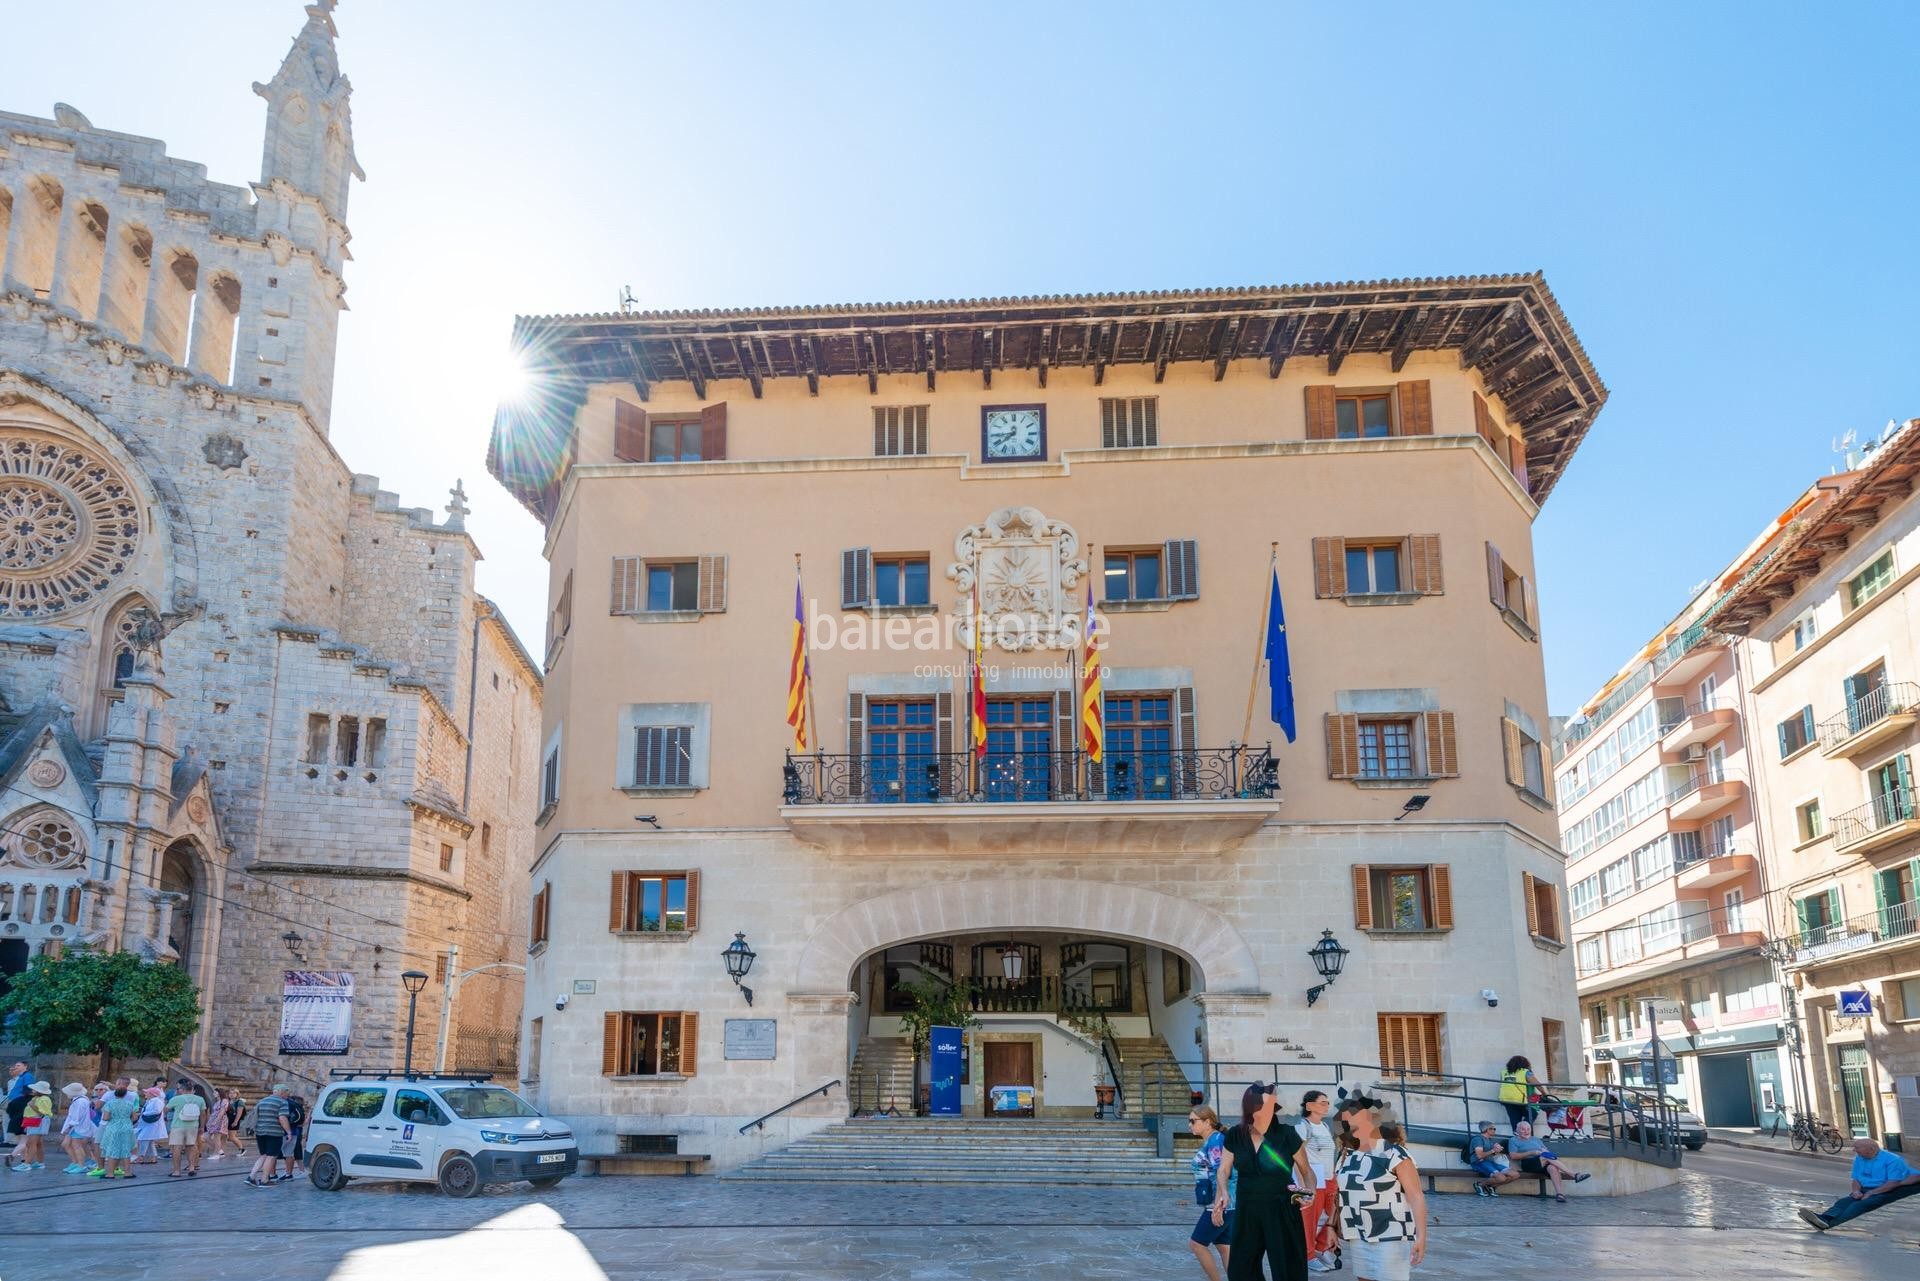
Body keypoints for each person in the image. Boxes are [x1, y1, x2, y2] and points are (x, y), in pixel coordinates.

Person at [1211, 1081, 1312, 1281]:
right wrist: (1223, 1192)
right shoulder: (1235, 1135)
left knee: (1288, 1269)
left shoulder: (1287, 1134)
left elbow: (1307, 1172)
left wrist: (1309, 1191)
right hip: (1247, 1209)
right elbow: (1223, 1169)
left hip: (1283, 1208)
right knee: (1241, 1270)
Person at [1335, 1096, 1428, 1281]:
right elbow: (1339, 1195)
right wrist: (1331, 1226)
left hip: (1391, 1234)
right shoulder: (1346, 1155)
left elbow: (1416, 1197)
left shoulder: (1394, 1153)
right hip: (1357, 1233)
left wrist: (1421, 1237)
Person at [1797, 1138, 1920, 1230]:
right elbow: (1856, 1179)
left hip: (1889, 1188)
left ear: (1871, 1149)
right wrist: (1856, 1191)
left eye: (1857, 1147)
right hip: (1869, 1187)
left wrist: (1871, 1193)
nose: (1854, 1150)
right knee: (1844, 1201)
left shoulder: (1893, 1160)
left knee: (1861, 1204)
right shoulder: (1859, 1158)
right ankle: (1824, 1218)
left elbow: (1893, 1183)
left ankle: (1829, 1224)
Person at [1187, 1104, 1234, 1281]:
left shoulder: (1215, 1141)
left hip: (1221, 1203)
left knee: (1197, 1244)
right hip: (1225, 1203)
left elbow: (1221, 1173)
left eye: (1193, 1121)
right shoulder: (1214, 1140)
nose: (1189, 1125)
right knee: (1223, 1246)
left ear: (1207, 1122)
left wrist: (1217, 1206)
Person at [1295, 1091, 1340, 1273]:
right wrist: (1303, 1185)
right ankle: (1308, 1255)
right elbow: (1297, 1157)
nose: (1326, 1106)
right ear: (1309, 1106)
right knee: (1309, 1220)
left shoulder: (1325, 1126)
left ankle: (1321, 1246)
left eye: (1327, 1103)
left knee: (1339, 1215)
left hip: (1330, 1179)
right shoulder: (1303, 1127)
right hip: (1313, 1180)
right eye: (1322, 1102)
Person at [1507, 1121, 1590, 1203]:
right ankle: (1573, 1174)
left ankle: (1560, 1194)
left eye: (1528, 1129)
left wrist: (1544, 1151)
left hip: (1542, 1162)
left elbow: (1547, 1152)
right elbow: (1513, 1156)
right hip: (1527, 1163)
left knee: (1552, 1167)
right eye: (1523, 1129)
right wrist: (1531, 1152)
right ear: (1517, 1130)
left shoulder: (1536, 1139)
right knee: (1546, 1157)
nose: (1526, 1131)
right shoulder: (1514, 1140)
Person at [246, 1083, 292, 1188]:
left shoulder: (262, 1101)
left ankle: (251, 1177)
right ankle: (264, 1180)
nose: (287, 1096)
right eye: (286, 1093)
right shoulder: (282, 1102)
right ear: (282, 1092)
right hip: (274, 1132)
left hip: (260, 1132)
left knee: (263, 1155)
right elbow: (282, 1118)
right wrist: (288, 1132)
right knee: (271, 1156)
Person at [92, 1079, 139, 1179]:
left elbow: (105, 1117)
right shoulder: (130, 1102)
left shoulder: (110, 1103)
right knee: (126, 1150)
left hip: (113, 1127)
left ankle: (110, 1173)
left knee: (112, 1149)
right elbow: (135, 1117)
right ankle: (127, 1172)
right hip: (127, 1127)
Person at [1469, 1121, 1521, 1197]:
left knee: (1515, 1174)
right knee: (1501, 1178)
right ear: (1486, 1129)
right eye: (1492, 1128)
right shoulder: (1478, 1139)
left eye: (1494, 1128)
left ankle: (1491, 1186)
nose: (1494, 1130)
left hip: (1491, 1162)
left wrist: (1497, 1151)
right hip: (1479, 1163)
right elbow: (1479, 1156)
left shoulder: (1489, 1140)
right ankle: (1479, 1184)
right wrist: (1493, 1150)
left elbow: (1491, 1154)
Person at [10, 1080, 54, 1169]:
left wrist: (32, 1105)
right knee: (38, 1143)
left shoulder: (44, 1099)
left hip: (37, 1121)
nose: (32, 1090)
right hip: (33, 1122)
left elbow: (43, 1113)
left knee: (31, 1143)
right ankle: (40, 1163)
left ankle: (26, 1164)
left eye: (35, 1089)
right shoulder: (37, 1098)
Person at [58, 1083, 98, 1174]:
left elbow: (76, 1117)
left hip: (78, 1127)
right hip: (78, 1127)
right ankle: (77, 1163)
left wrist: (69, 1127)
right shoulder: (81, 1100)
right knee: (69, 1144)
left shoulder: (79, 1102)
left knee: (77, 1146)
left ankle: (81, 1165)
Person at [167, 1084, 205, 1177]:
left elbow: (165, 1109)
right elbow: (203, 1114)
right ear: (192, 1089)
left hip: (177, 1126)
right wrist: (202, 1126)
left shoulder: (176, 1099)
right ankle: (191, 1168)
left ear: (181, 1090)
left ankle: (177, 1171)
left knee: (177, 1148)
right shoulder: (200, 1099)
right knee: (191, 1147)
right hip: (193, 1126)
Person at [1499, 1056, 1542, 1131]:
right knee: (1533, 1114)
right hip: (1519, 1099)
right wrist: (1544, 1093)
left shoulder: (1504, 1072)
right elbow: (1537, 1084)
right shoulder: (1525, 1072)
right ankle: (1524, 1130)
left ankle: (1517, 1134)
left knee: (1514, 1119)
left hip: (1506, 1099)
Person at [3, 1060, 33, 1156]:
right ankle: (24, 1158)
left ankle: (23, 1156)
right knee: (18, 1131)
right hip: (16, 1103)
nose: (16, 1067)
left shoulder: (27, 1076)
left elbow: (28, 1089)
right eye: (15, 1065)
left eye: (18, 1065)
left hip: (20, 1103)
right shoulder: (21, 1077)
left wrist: (21, 1101)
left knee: (20, 1129)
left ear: (25, 1066)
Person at [133, 1086, 167, 1163]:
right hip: (148, 1124)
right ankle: (153, 1157)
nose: (145, 1093)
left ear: (152, 1094)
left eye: (147, 1092)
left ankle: (141, 1157)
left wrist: (143, 1113)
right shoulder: (150, 1101)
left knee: (143, 1139)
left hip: (152, 1124)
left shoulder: (157, 1101)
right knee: (149, 1141)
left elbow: (156, 1111)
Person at [280, 1090, 308, 1181]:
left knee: (293, 1153)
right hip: (297, 1132)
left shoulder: (294, 1110)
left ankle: (300, 1171)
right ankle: (294, 1171)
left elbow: (302, 1124)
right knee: (294, 1152)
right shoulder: (300, 1110)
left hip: (295, 1133)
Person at [203, 1087, 232, 1159]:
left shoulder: (224, 1101)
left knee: (217, 1137)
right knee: (206, 1136)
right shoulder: (217, 1102)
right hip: (213, 1120)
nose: (214, 1094)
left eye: (215, 1092)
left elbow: (222, 1112)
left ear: (220, 1093)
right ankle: (219, 1151)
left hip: (220, 1120)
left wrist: (216, 1121)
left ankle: (216, 1154)